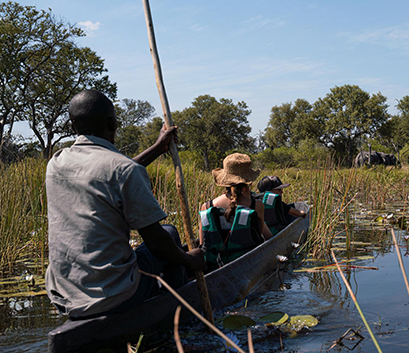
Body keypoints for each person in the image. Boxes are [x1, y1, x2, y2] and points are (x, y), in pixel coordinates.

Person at [45, 90, 204, 319]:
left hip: (63, 296)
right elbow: (157, 243)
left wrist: (158, 148)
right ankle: (178, 315)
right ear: (112, 123)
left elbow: (108, 173)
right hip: (113, 296)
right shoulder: (123, 170)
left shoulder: (56, 163)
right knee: (169, 234)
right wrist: (191, 260)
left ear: (73, 126)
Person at [198, 153, 273, 270]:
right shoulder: (256, 205)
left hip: (214, 266)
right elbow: (265, 236)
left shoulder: (206, 206)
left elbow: (203, 244)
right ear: (246, 185)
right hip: (249, 265)